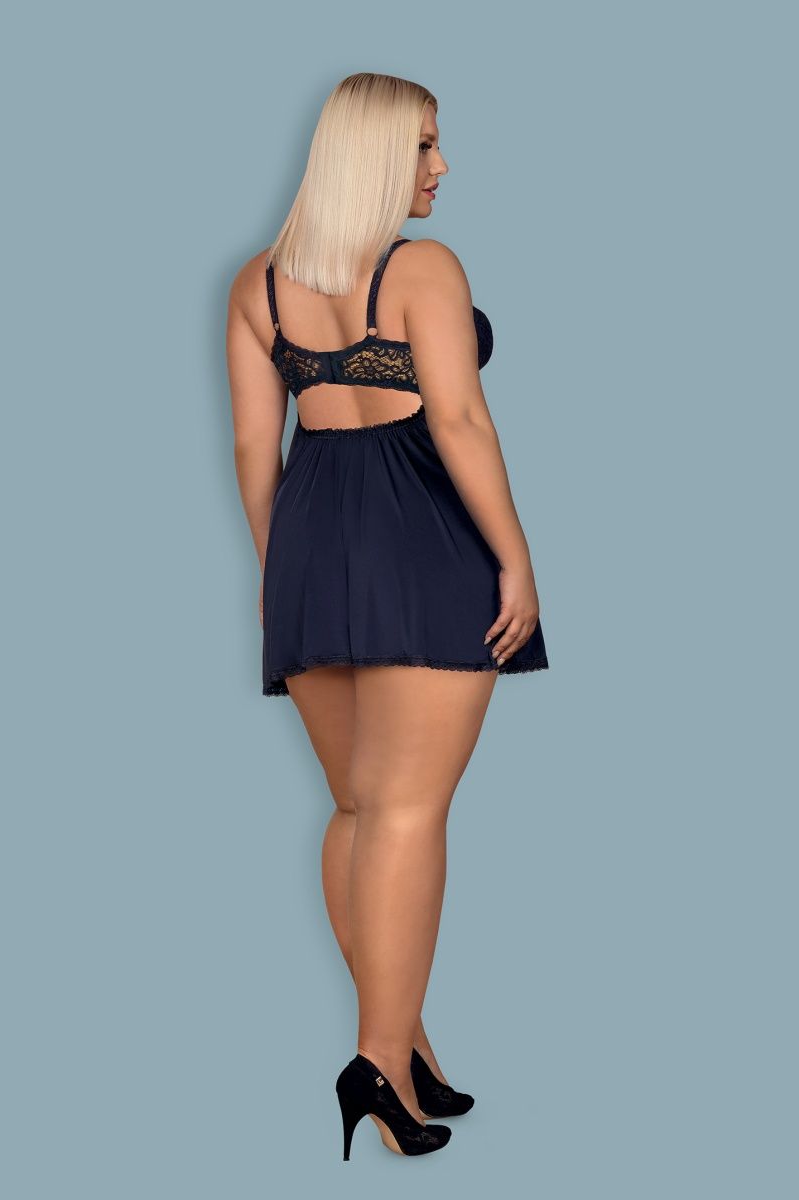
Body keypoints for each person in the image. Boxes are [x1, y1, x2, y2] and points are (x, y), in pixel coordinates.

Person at [226, 72, 550, 1159]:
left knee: (359, 811)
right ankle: (375, 1062)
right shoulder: (423, 269)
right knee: (407, 813)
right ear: (371, 157)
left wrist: (278, 573)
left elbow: (253, 451)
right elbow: (457, 421)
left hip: (309, 542)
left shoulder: (257, 285)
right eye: (423, 146)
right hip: (422, 541)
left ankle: (405, 1048)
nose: (440, 167)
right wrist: (516, 559)